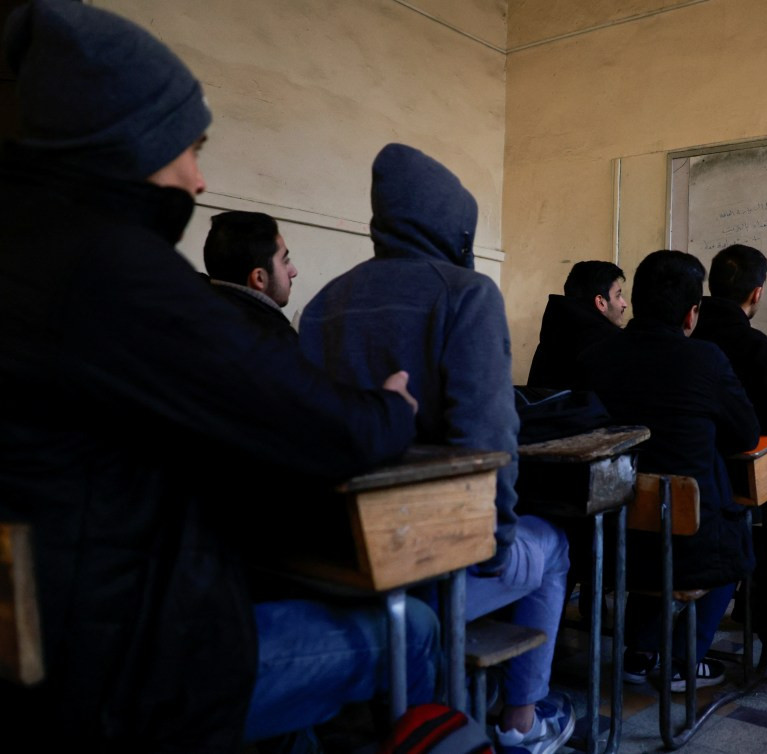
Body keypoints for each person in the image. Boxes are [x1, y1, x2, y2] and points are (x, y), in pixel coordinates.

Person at [0, 2, 435, 749]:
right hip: (125, 683)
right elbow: (326, 427)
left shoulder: (27, 251)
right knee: (417, 626)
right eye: (188, 149)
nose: (199, 182)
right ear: (123, 141)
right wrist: (393, 407)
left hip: (44, 649)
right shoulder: (108, 269)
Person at [299, 143, 574, 754]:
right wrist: (497, 544)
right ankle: (521, 724)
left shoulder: (322, 304)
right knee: (552, 548)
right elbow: (489, 439)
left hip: (344, 558)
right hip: (433, 566)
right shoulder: (466, 294)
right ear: (457, 225)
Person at [579, 250, 760, 691]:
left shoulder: (595, 356)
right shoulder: (706, 360)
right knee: (736, 544)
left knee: (649, 517)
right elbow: (746, 435)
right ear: (692, 312)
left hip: (609, 541)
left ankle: (639, 651)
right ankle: (683, 659)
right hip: (690, 545)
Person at [693, 243, 767, 448]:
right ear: (756, 294)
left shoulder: (689, 335)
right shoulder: (757, 346)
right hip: (746, 462)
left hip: (697, 455)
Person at [527, 260, 626, 388]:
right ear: (600, 302)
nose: (624, 304)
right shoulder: (611, 343)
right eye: (618, 296)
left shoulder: (552, 335)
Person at [203, 210, 299, 339]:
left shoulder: (185, 309)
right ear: (259, 278)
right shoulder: (274, 344)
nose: (294, 272)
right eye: (285, 261)